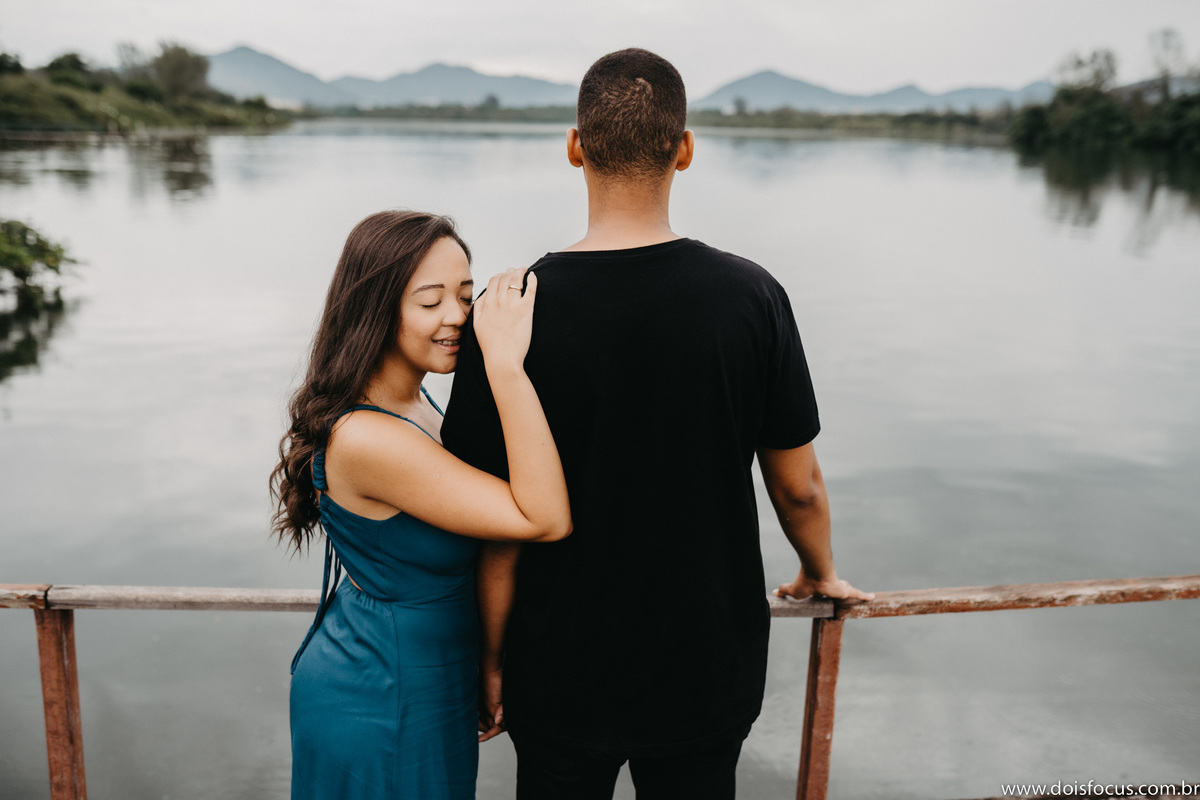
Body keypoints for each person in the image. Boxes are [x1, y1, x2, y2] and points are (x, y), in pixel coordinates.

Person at [441, 49, 872, 800]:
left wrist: (492, 652)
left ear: (574, 146)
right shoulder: (752, 298)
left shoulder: (508, 312)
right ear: (685, 149)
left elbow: (496, 530)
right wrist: (818, 572)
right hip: (704, 663)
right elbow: (796, 487)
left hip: (558, 662)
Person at [270, 210, 571, 800]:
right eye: (430, 302)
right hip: (383, 689)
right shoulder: (367, 438)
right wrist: (506, 365)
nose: (457, 317)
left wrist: (487, 662)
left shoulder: (418, 401)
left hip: (427, 672)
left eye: (465, 294)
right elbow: (543, 517)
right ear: (376, 310)